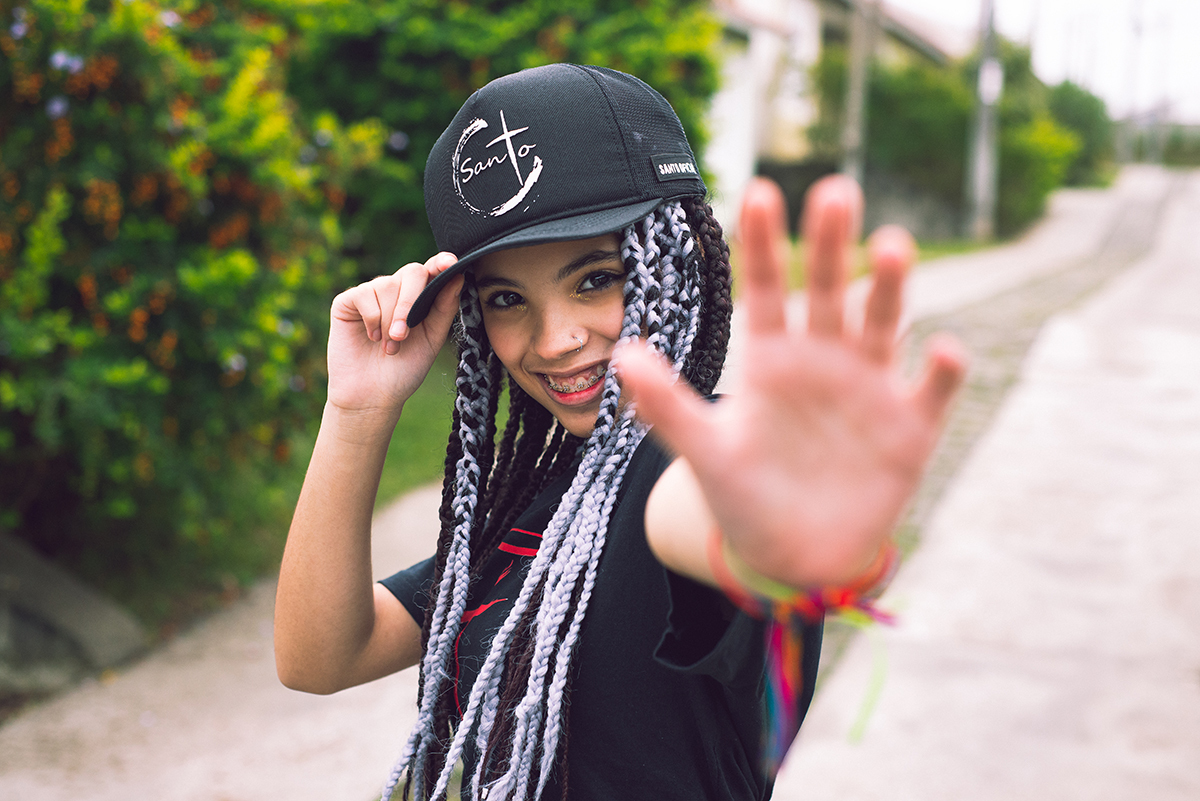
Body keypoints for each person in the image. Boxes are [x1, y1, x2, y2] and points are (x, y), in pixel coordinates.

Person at [273, 64, 965, 801]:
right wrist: (356, 409)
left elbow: (704, 519)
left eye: (595, 278)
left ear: (677, 262)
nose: (553, 339)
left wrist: (784, 520)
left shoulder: (697, 464)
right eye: (508, 298)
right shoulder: (535, 502)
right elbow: (320, 655)